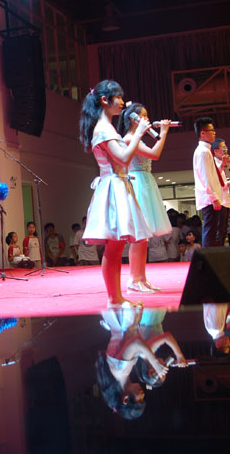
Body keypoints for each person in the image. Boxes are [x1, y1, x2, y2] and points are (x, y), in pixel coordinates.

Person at [78, 79, 152, 307]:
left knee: (117, 246)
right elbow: (123, 158)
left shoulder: (106, 127)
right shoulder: (103, 129)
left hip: (117, 184)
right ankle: (114, 299)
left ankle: (117, 297)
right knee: (114, 246)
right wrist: (138, 133)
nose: (122, 102)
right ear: (104, 100)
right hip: (113, 186)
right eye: (118, 97)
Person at [118, 102, 171, 293]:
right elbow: (155, 154)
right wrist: (163, 132)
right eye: (144, 115)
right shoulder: (129, 139)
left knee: (144, 238)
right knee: (138, 236)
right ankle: (134, 279)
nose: (147, 119)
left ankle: (142, 278)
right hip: (137, 184)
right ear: (133, 119)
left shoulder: (137, 138)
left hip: (145, 182)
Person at [193, 117, 225, 247]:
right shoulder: (203, 151)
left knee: (212, 231)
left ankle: (209, 255)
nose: (214, 133)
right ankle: (207, 256)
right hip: (209, 198)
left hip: (211, 197)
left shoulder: (206, 150)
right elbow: (205, 176)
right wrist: (213, 197)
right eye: (211, 130)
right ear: (202, 133)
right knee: (210, 231)